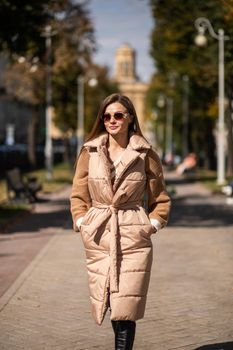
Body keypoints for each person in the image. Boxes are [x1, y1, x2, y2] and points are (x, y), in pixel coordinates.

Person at [70, 93, 171, 350]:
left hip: (133, 236)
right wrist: (82, 222)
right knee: (111, 302)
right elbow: (78, 194)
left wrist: (151, 225)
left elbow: (160, 198)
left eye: (118, 115)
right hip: (99, 234)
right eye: (107, 116)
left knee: (126, 305)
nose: (112, 120)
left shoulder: (144, 153)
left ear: (129, 118)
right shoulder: (90, 151)